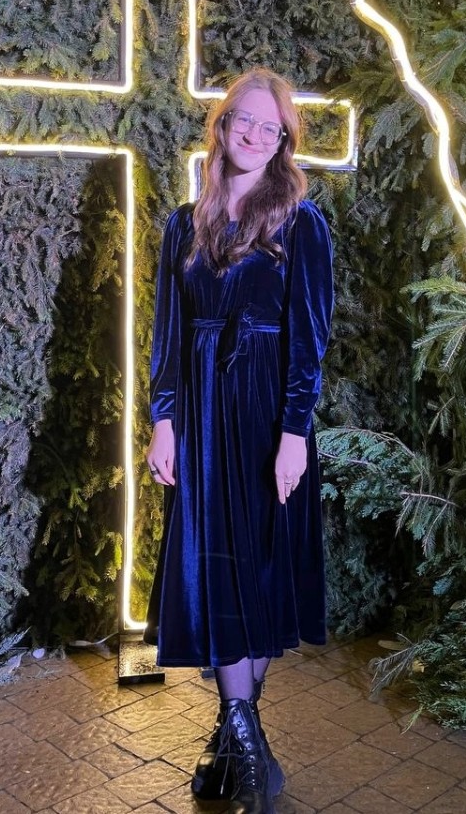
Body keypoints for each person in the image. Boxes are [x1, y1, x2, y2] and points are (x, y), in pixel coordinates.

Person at [144, 68, 334, 814]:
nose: (255, 134)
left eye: (270, 127)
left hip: (264, 418)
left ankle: (235, 747)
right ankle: (245, 747)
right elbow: (165, 332)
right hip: (198, 417)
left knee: (256, 569)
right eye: (243, 121)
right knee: (215, 568)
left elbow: (309, 342)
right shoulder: (181, 224)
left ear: (284, 139)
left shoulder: (301, 223)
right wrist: (163, 421)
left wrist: (294, 434)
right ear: (221, 127)